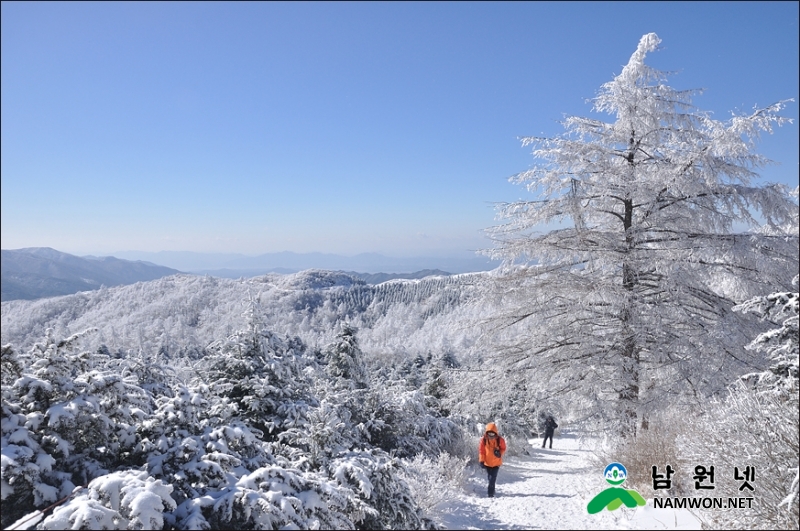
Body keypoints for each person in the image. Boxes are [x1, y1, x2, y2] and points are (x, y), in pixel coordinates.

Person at [478, 422, 506, 497]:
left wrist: (499, 453)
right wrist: (481, 460)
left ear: (495, 433)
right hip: (487, 463)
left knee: (492, 478)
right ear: (487, 433)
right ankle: (492, 489)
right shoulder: (483, 440)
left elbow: (503, 448)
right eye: (489, 433)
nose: (491, 435)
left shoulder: (500, 440)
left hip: (496, 463)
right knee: (490, 478)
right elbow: (481, 451)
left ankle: (490, 493)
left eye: (492, 434)